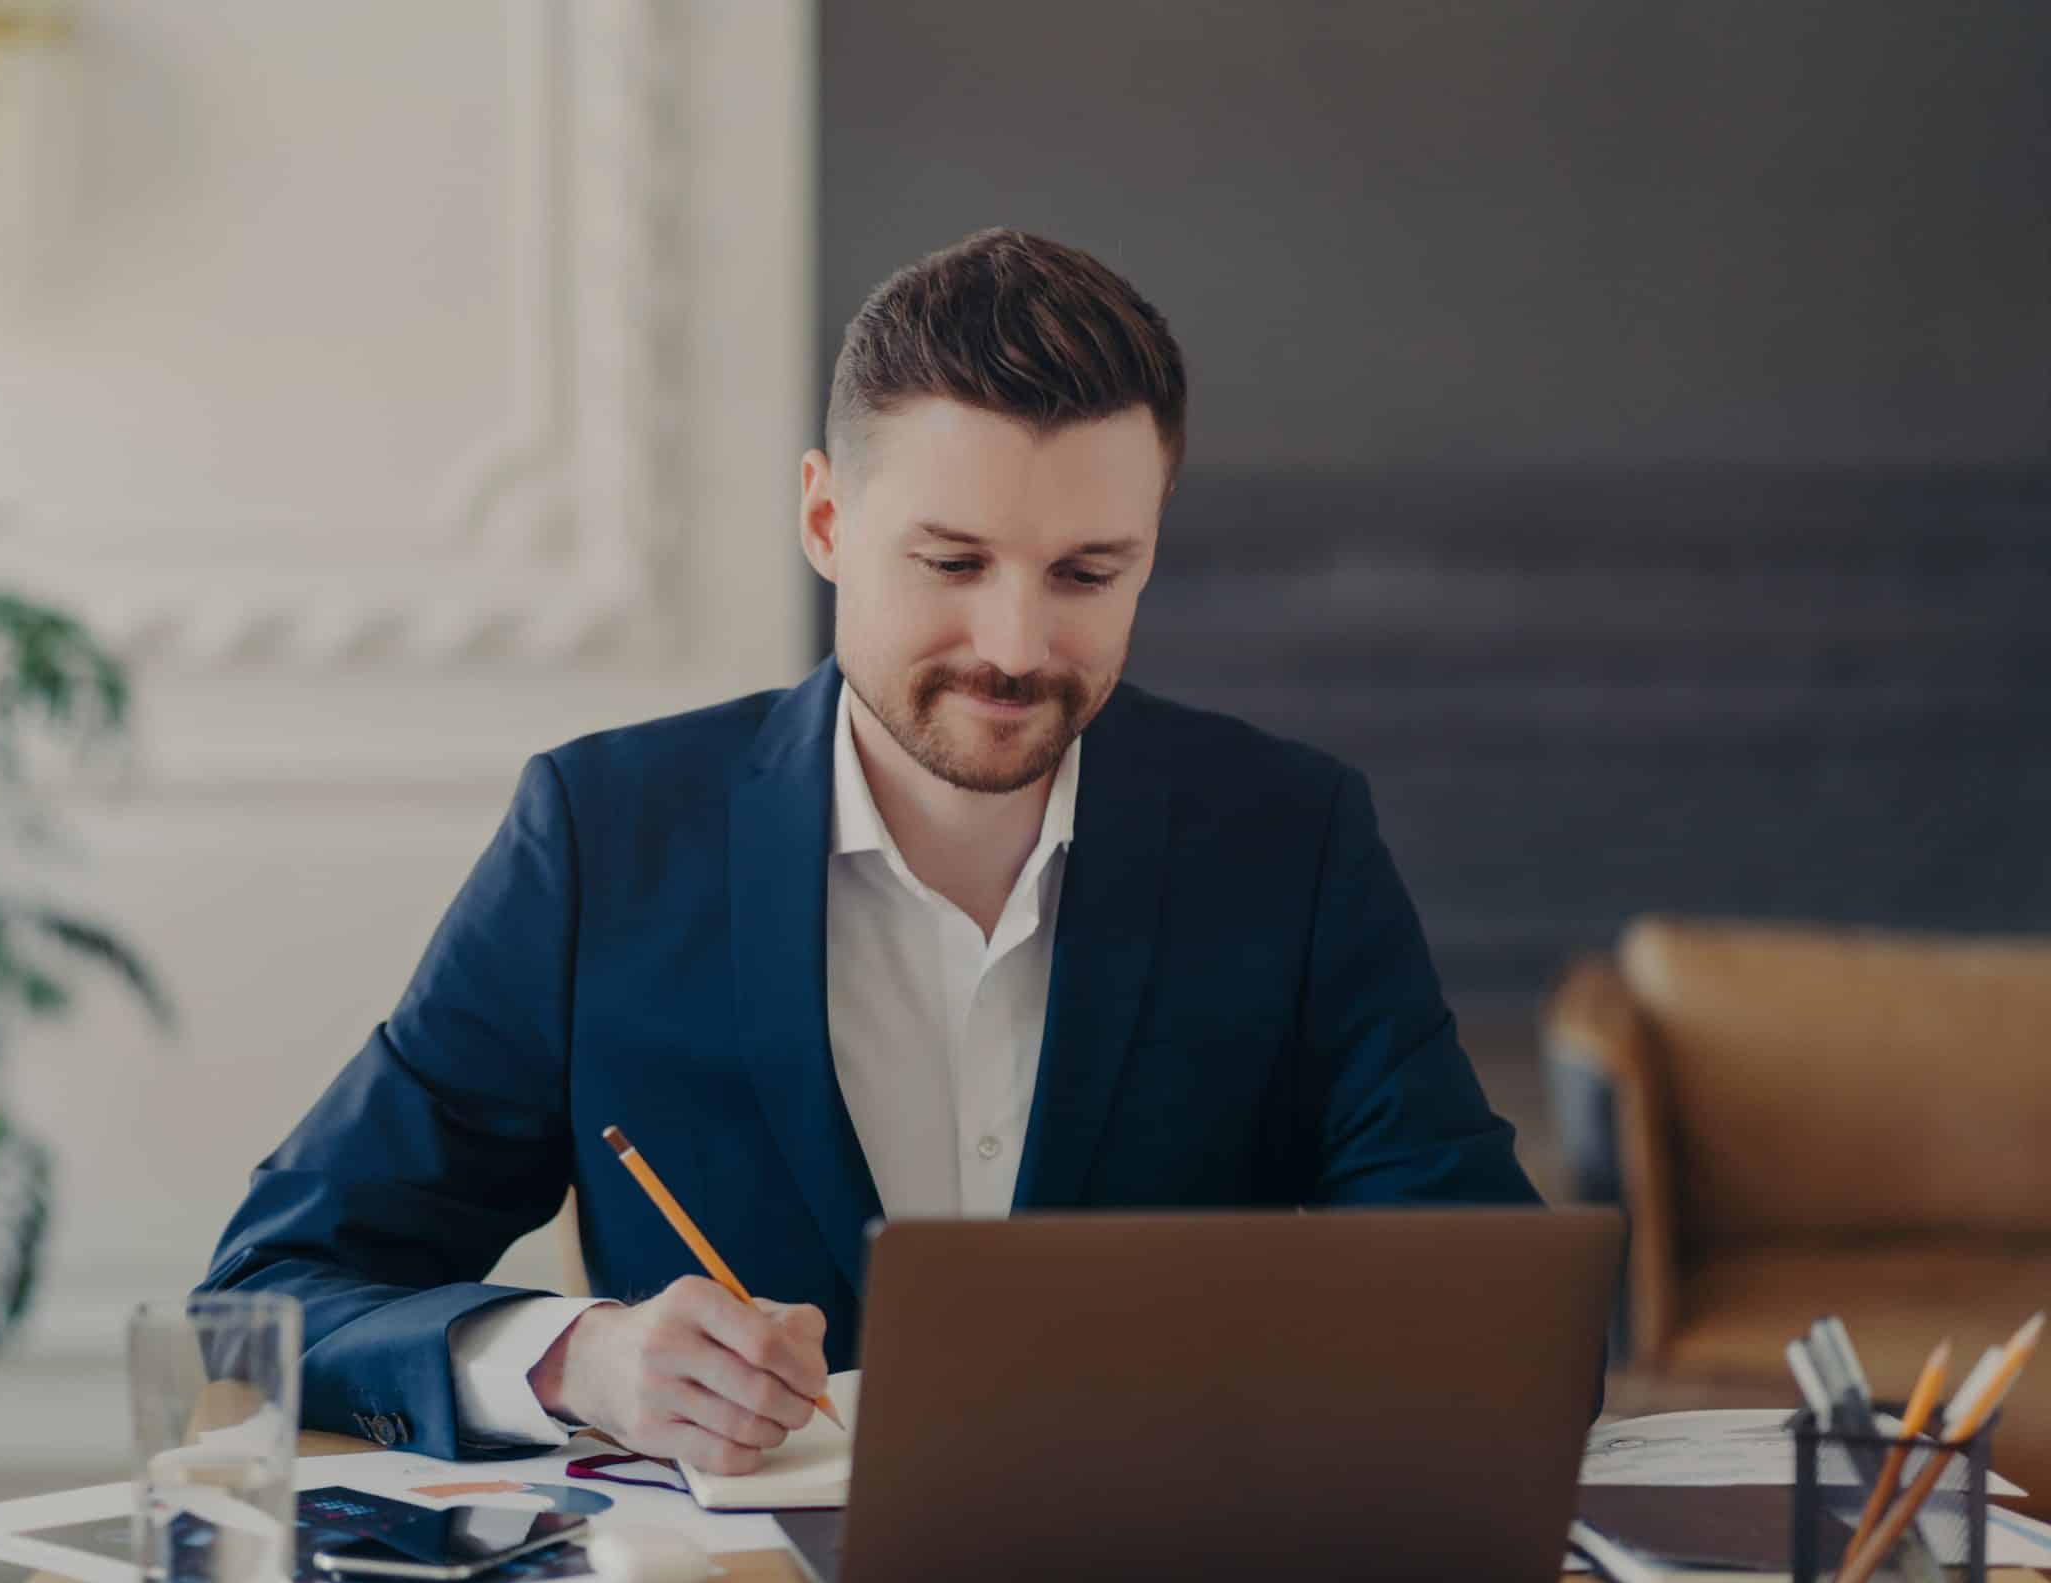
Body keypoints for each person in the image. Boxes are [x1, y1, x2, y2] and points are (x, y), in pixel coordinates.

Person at [201, 227, 1539, 1471]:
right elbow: (268, 1294)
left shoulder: (1291, 838)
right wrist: (574, 1363)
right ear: (827, 521)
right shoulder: (604, 837)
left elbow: (1516, 1323)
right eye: (953, 562)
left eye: (1087, 574)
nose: (1017, 646)